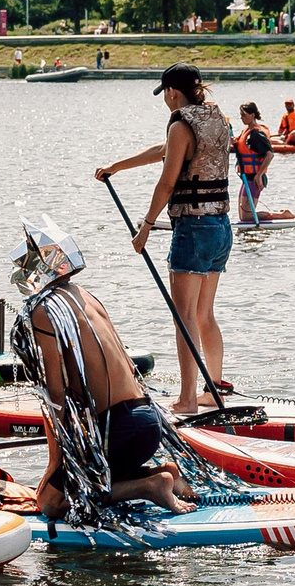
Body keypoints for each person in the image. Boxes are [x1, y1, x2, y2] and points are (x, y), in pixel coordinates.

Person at [9, 218, 195, 519]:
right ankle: (164, 472)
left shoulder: (45, 310)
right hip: (146, 420)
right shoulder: (86, 296)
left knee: (50, 502)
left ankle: (149, 485)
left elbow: (54, 395)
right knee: (91, 472)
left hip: (119, 427)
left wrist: (56, 465)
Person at [99, 65, 232, 413]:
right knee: (204, 313)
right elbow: (164, 149)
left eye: (165, 95)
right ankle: (213, 389)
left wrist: (145, 226)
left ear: (172, 92)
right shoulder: (218, 118)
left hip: (193, 228)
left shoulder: (179, 122)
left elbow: (167, 182)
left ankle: (188, 399)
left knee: (184, 315)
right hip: (221, 227)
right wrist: (117, 166)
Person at [232, 101, 293, 223]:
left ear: (252, 115)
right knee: (244, 216)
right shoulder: (246, 131)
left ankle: (283, 215)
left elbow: (270, 154)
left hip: (255, 178)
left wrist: (259, 175)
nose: (241, 118)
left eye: (244, 115)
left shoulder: (256, 134)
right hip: (246, 177)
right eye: (240, 115)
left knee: (247, 216)